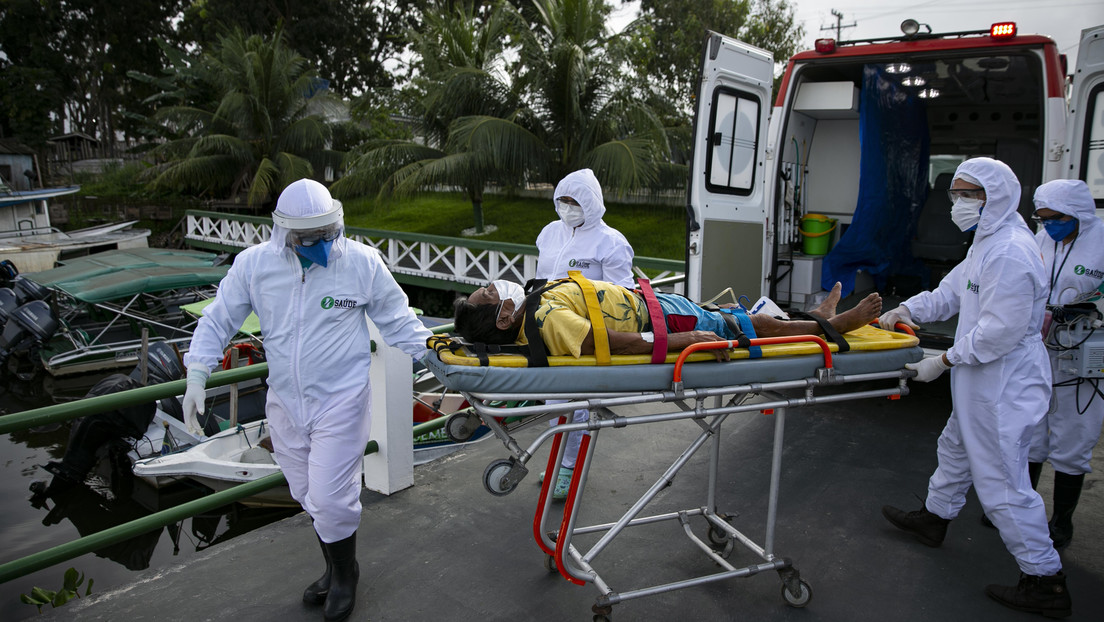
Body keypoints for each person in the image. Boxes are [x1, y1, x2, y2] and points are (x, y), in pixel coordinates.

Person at [182, 179, 431, 622]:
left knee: (332, 499)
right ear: (284, 231)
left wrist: (439, 355)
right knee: (307, 493)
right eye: (308, 237)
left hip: (341, 400)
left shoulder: (361, 263)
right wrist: (197, 373)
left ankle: (346, 576)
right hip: (284, 401)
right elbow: (218, 319)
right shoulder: (255, 266)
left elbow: (398, 321)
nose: (320, 243)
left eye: (327, 233)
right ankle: (335, 567)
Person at [878, 158, 1070, 618]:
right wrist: (907, 310)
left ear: (996, 197)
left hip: (1004, 380)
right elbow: (951, 293)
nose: (958, 203)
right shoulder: (986, 242)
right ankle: (935, 518)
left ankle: (1045, 581)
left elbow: (1000, 332)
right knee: (956, 446)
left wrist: (941, 361)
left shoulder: (1011, 252)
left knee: (1002, 483)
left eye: (969, 195)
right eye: (955, 194)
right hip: (983, 376)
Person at [453, 277, 881, 359]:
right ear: (504, 319)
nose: (494, 285)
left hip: (656, 306)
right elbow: (612, 344)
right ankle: (832, 327)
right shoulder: (546, 319)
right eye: (489, 292)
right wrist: (684, 341)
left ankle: (815, 317)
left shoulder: (534, 304)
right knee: (742, 326)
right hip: (661, 321)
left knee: (733, 316)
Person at [536, 168, 635, 499]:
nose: (568, 208)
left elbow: (623, 297)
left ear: (591, 202)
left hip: (585, 332)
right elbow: (540, 276)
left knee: (575, 404)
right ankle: (559, 462)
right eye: (562, 200)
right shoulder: (549, 233)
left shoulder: (611, 242)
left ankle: (569, 467)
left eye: (575, 201)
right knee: (553, 402)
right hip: (549, 328)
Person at [1025, 179, 1104, 549]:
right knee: (1032, 426)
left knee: (1074, 433)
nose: (1050, 226)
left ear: (1077, 214)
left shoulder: (1101, 240)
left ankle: (1061, 521)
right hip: (1040, 348)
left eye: (1056, 218)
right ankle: (1023, 510)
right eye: (1043, 219)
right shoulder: (1042, 240)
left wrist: (1091, 306)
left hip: (1082, 351)